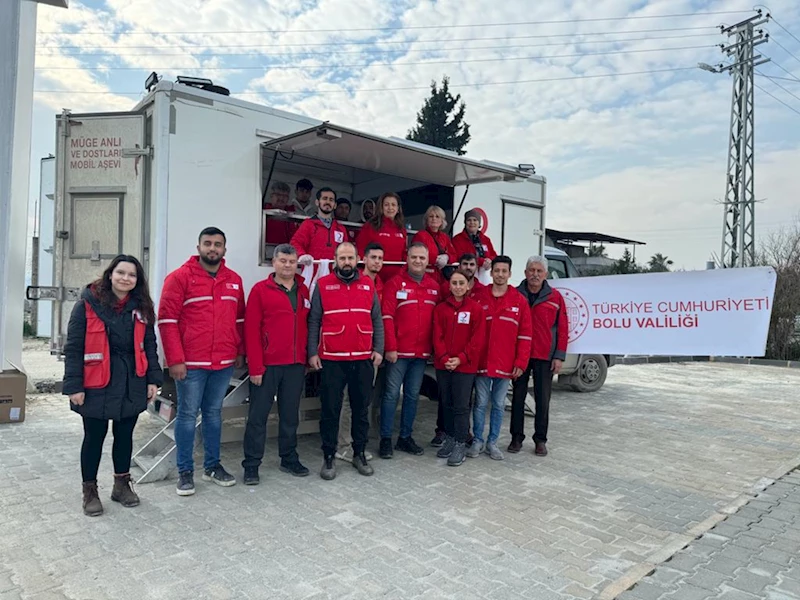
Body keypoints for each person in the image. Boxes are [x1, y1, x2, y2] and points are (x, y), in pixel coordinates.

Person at [63, 255, 163, 517]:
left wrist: (153, 379)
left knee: (125, 436)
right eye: (121, 273)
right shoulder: (86, 305)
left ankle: (121, 485)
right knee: (93, 438)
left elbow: (149, 345)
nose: (125, 278)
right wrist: (74, 386)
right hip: (96, 382)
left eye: (132, 275)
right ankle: (90, 491)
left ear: (137, 280)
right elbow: (73, 348)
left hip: (132, 382)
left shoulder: (142, 308)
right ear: (110, 274)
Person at [158, 227, 245, 496]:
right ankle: (185, 472)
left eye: (218, 244)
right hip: (191, 364)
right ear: (198, 247)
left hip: (223, 362)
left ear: (224, 249)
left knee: (213, 415)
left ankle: (212, 466)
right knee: (186, 415)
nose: (212, 248)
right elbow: (167, 321)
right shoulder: (179, 278)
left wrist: (239, 350)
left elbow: (239, 319)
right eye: (208, 243)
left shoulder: (234, 280)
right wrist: (175, 360)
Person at [308, 242, 384, 480]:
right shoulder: (323, 285)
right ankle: (329, 456)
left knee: (361, 410)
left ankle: (359, 453)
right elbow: (314, 320)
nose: (347, 262)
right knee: (330, 410)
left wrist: (379, 349)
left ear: (357, 259)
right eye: (342, 258)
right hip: (332, 358)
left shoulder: (368, 284)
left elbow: (377, 319)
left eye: (350, 258)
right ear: (335, 260)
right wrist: (312, 352)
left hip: (362, 358)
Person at [242, 244, 311, 484]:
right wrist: (255, 367)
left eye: (292, 261)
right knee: (258, 417)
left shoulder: (303, 290)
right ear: (274, 263)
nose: (287, 265)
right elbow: (251, 330)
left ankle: (289, 458)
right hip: (268, 365)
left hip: (295, 365)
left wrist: (306, 357)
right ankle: (251, 465)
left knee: (290, 416)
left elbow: (309, 325)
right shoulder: (260, 290)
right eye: (283, 261)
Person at [378, 242, 440, 459]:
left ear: (428, 261)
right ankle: (386, 439)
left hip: (421, 354)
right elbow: (387, 317)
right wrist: (390, 347)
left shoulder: (434, 287)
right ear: (407, 258)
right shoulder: (394, 284)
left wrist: (434, 349)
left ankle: (405, 438)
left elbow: (438, 322)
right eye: (414, 257)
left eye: (422, 258)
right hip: (398, 353)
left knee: (412, 396)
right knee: (391, 395)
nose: (418, 261)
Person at [470, 256, 531, 461]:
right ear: (492, 272)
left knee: (498, 404)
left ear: (510, 274)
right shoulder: (479, 297)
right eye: (497, 271)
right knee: (480, 403)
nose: (500, 275)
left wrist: (520, 362)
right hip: (482, 362)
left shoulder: (519, 301)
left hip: (505, 364)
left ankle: (492, 442)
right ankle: (477, 440)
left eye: (504, 271)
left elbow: (525, 335)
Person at [509, 255, 569, 456]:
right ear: (525, 273)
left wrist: (559, 356)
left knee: (543, 400)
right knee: (517, 398)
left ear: (545, 274)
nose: (535, 274)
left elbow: (563, 328)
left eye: (539, 271)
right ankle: (516, 438)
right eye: (531, 270)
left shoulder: (555, 297)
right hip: (520, 355)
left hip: (545, 355)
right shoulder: (515, 294)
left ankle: (540, 440)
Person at [335, 241, 384, 463]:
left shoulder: (378, 284)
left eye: (380, 258)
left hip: (368, 353)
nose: (377, 262)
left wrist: (379, 349)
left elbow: (378, 320)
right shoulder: (352, 283)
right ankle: (344, 445)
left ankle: (359, 445)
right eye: (373, 257)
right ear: (362, 260)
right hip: (347, 353)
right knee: (347, 401)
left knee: (363, 401)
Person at [432, 271, 485, 467]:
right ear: (449, 286)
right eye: (454, 283)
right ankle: (450, 438)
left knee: (461, 406)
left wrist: (460, 358)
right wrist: (444, 357)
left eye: (461, 283)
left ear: (468, 285)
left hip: (465, 367)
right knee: (446, 403)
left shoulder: (476, 309)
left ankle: (460, 443)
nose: (458, 287)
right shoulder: (440, 309)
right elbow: (437, 335)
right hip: (444, 364)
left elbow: (477, 339)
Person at [356, 192, 407, 283]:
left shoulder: (401, 229)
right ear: (381, 207)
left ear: (398, 209)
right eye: (386, 205)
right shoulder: (371, 226)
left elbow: (404, 254)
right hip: (374, 277)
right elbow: (361, 250)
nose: (390, 208)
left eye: (393, 205)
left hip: (395, 279)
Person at [291, 187, 349, 265]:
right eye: (325, 198)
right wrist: (302, 255)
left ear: (335, 205)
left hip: (334, 271)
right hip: (312, 270)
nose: (328, 202)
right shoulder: (308, 224)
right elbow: (295, 243)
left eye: (331, 200)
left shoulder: (340, 228)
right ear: (317, 202)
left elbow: (346, 250)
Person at [412, 205, 457, 283]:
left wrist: (447, 257)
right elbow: (415, 254)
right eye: (431, 216)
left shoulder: (445, 237)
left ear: (442, 221)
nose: (434, 219)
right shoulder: (420, 235)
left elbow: (454, 255)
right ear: (427, 220)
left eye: (437, 216)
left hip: (443, 278)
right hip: (426, 277)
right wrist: (435, 259)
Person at [452, 209, 497, 273]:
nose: (472, 222)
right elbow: (460, 257)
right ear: (465, 222)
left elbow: (494, 255)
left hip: (485, 272)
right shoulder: (457, 239)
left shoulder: (486, 239)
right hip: (466, 272)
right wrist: (481, 261)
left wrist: (490, 260)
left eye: (475, 220)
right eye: (469, 220)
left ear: (479, 223)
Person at [263, 181, 297, 246]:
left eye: (284, 196)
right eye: (278, 195)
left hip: (287, 250)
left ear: (288, 198)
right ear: (271, 196)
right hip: (266, 248)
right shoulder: (263, 212)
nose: (281, 198)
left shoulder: (293, 215)